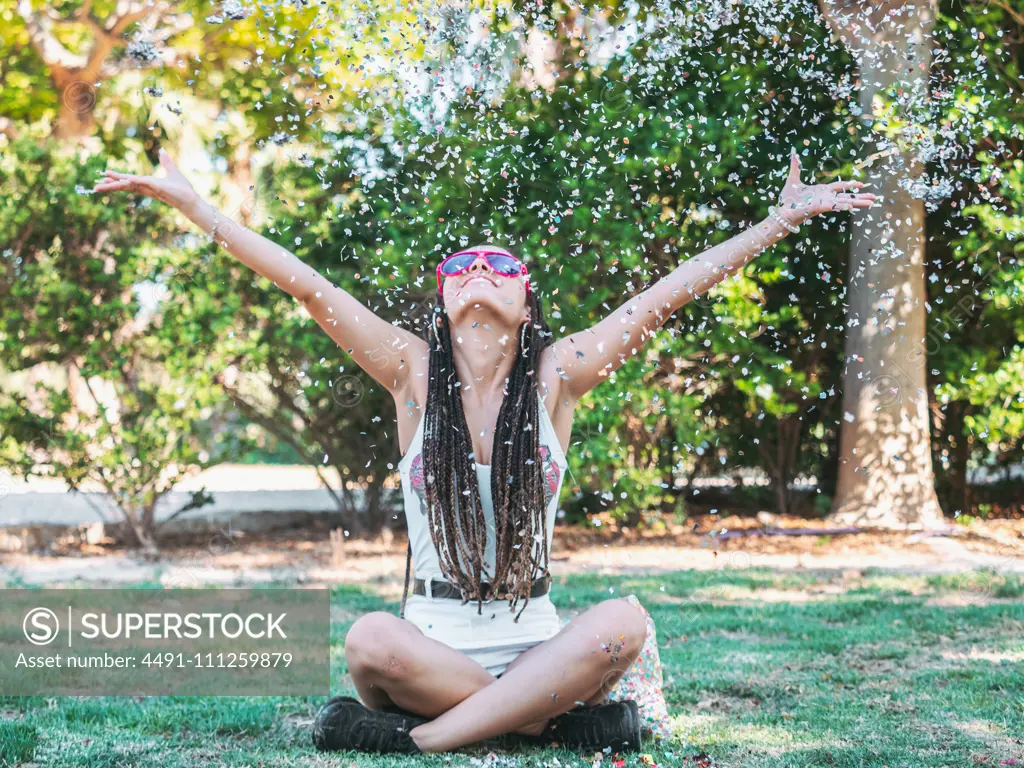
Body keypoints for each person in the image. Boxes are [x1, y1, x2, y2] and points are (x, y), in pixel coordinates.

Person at [95, 149, 875, 754]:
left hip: (536, 638)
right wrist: (199, 209)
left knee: (623, 622)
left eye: (499, 266)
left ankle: (425, 738)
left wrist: (776, 224)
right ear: (441, 300)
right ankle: (545, 726)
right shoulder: (408, 372)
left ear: (525, 299)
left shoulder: (558, 375)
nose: (478, 273)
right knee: (368, 638)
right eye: (460, 267)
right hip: (429, 650)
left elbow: (664, 295)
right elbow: (307, 286)